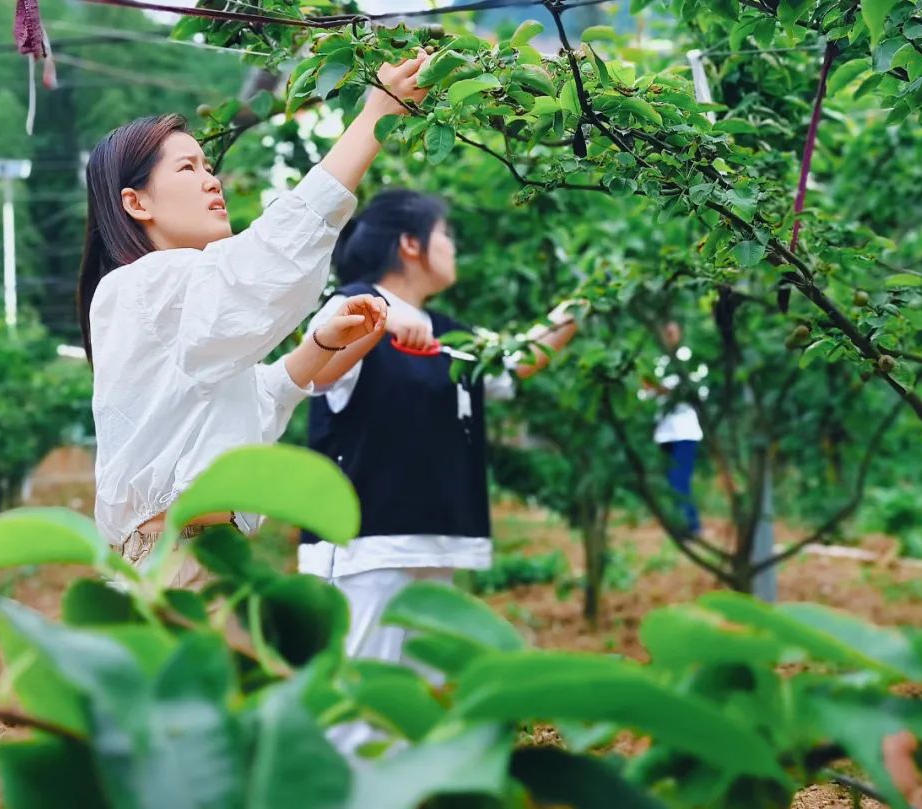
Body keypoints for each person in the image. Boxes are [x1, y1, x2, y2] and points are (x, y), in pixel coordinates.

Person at [77, 53, 431, 584]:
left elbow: (250, 404)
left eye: (208, 165)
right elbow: (267, 261)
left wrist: (320, 345)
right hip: (175, 558)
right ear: (136, 202)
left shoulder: (175, 301)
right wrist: (374, 115)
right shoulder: (141, 288)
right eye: (187, 168)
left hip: (200, 556)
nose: (211, 181)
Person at [297, 189, 578, 753]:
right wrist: (379, 311)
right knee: (354, 711)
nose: (453, 246)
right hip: (363, 550)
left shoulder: (449, 334)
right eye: (446, 234)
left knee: (413, 711)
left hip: (432, 542)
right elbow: (313, 359)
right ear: (410, 243)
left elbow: (517, 359)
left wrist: (584, 305)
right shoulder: (348, 311)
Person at [644, 320, 707, 537]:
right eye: (666, 332)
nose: (669, 336)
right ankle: (680, 524)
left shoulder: (688, 359)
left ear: (679, 333)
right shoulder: (660, 363)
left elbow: (697, 392)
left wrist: (661, 389)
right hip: (665, 433)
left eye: (672, 332)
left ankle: (691, 526)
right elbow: (646, 393)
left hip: (685, 431)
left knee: (680, 480)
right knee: (671, 481)